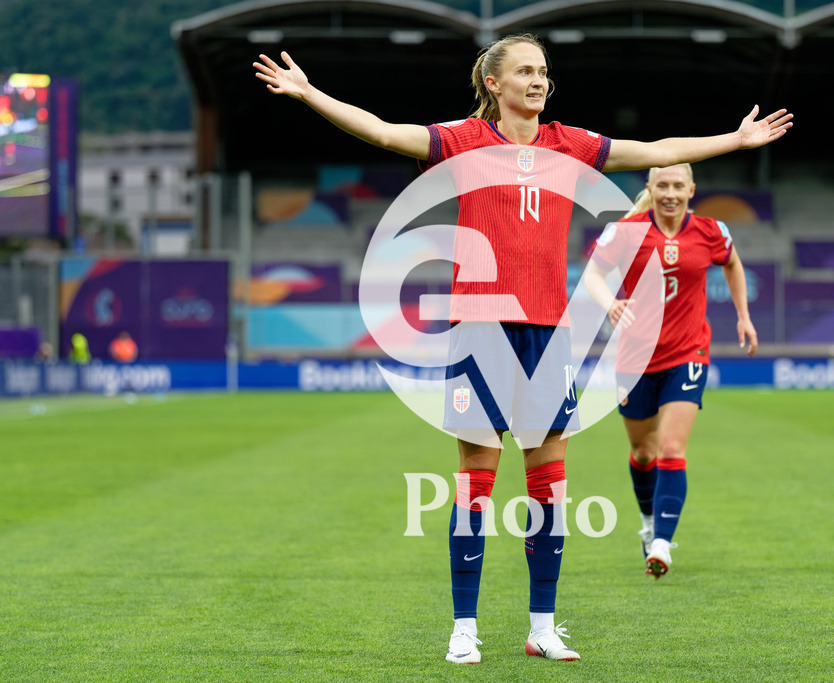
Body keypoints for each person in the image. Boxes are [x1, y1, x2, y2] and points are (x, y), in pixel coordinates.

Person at [254, 34, 791, 663]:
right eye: (527, 72)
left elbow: (659, 150)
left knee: (550, 486)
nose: (539, 81)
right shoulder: (462, 142)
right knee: (476, 483)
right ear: (494, 84)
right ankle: (463, 628)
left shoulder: (571, 144)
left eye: (544, 72)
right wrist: (309, 92)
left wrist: (734, 140)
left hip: (547, 335)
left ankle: (542, 626)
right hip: (480, 330)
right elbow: (381, 131)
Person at [583, 163, 758, 579]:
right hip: (635, 359)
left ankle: (661, 541)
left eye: (678, 186)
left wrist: (742, 315)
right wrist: (610, 303)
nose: (670, 193)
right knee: (643, 452)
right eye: (663, 185)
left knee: (671, 449)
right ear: (650, 188)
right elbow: (593, 274)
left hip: (688, 352)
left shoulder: (711, 231)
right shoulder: (625, 232)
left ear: (691, 189)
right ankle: (647, 523)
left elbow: (732, 263)